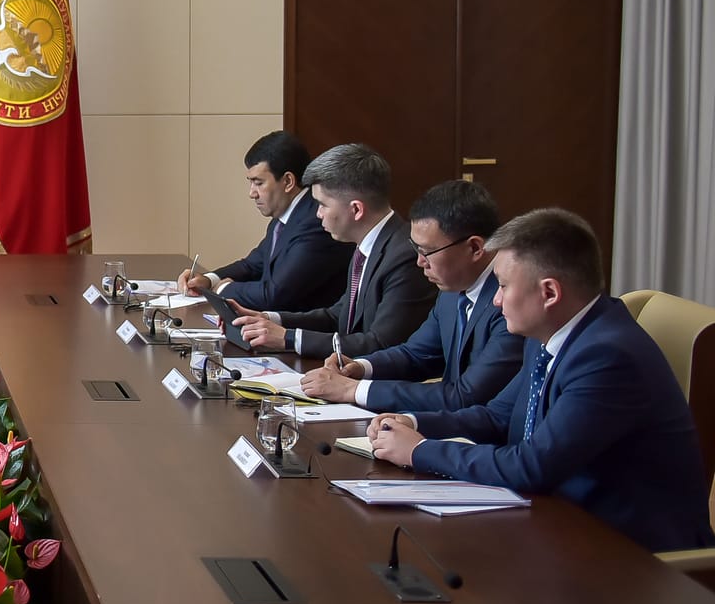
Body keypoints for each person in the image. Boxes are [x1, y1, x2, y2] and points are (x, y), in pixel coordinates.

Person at [369, 208, 714, 553]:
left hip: (630, 552)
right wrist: (412, 423)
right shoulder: (552, 332)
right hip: (562, 521)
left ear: (549, 293)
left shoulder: (608, 357)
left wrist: (419, 451)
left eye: (503, 286)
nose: (495, 300)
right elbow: (498, 417)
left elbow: (532, 466)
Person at [300, 180, 523, 410]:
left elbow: (465, 396)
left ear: (475, 248)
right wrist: (360, 367)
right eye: (416, 248)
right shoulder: (453, 288)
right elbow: (416, 354)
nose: (419, 262)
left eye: (427, 251)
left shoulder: (511, 303)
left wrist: (353, 390)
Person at [229, 143, 435, 357]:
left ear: (356, 209)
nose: (317, 214)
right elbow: (338, 316)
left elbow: (380, 344)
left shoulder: (405, 257)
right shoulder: (366, 245)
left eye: (323, 205)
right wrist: (269, 319)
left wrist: (288, 339)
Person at [177, 131, 350, 312]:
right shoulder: (284, 218)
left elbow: (274, 296)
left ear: (288, 181)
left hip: (303, 327)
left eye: (258, 183)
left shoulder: (316, 222)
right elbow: (252, 265)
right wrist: (209, 279)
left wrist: (222, 289)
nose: (251, 193)